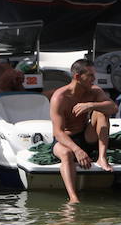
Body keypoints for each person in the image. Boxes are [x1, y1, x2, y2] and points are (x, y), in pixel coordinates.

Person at [50, 59, 117, 202]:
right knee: (67, 154)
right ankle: (73, 197)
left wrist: (90, 105)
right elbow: (58, 132)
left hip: (86, 136)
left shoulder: (94, 91)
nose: (94, 79)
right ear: (77, 77)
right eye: (90, 76)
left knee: (101, 112)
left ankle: (102, 157)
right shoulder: (60, 97)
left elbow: (113, 108)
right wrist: (77, 150)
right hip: (65, 140)